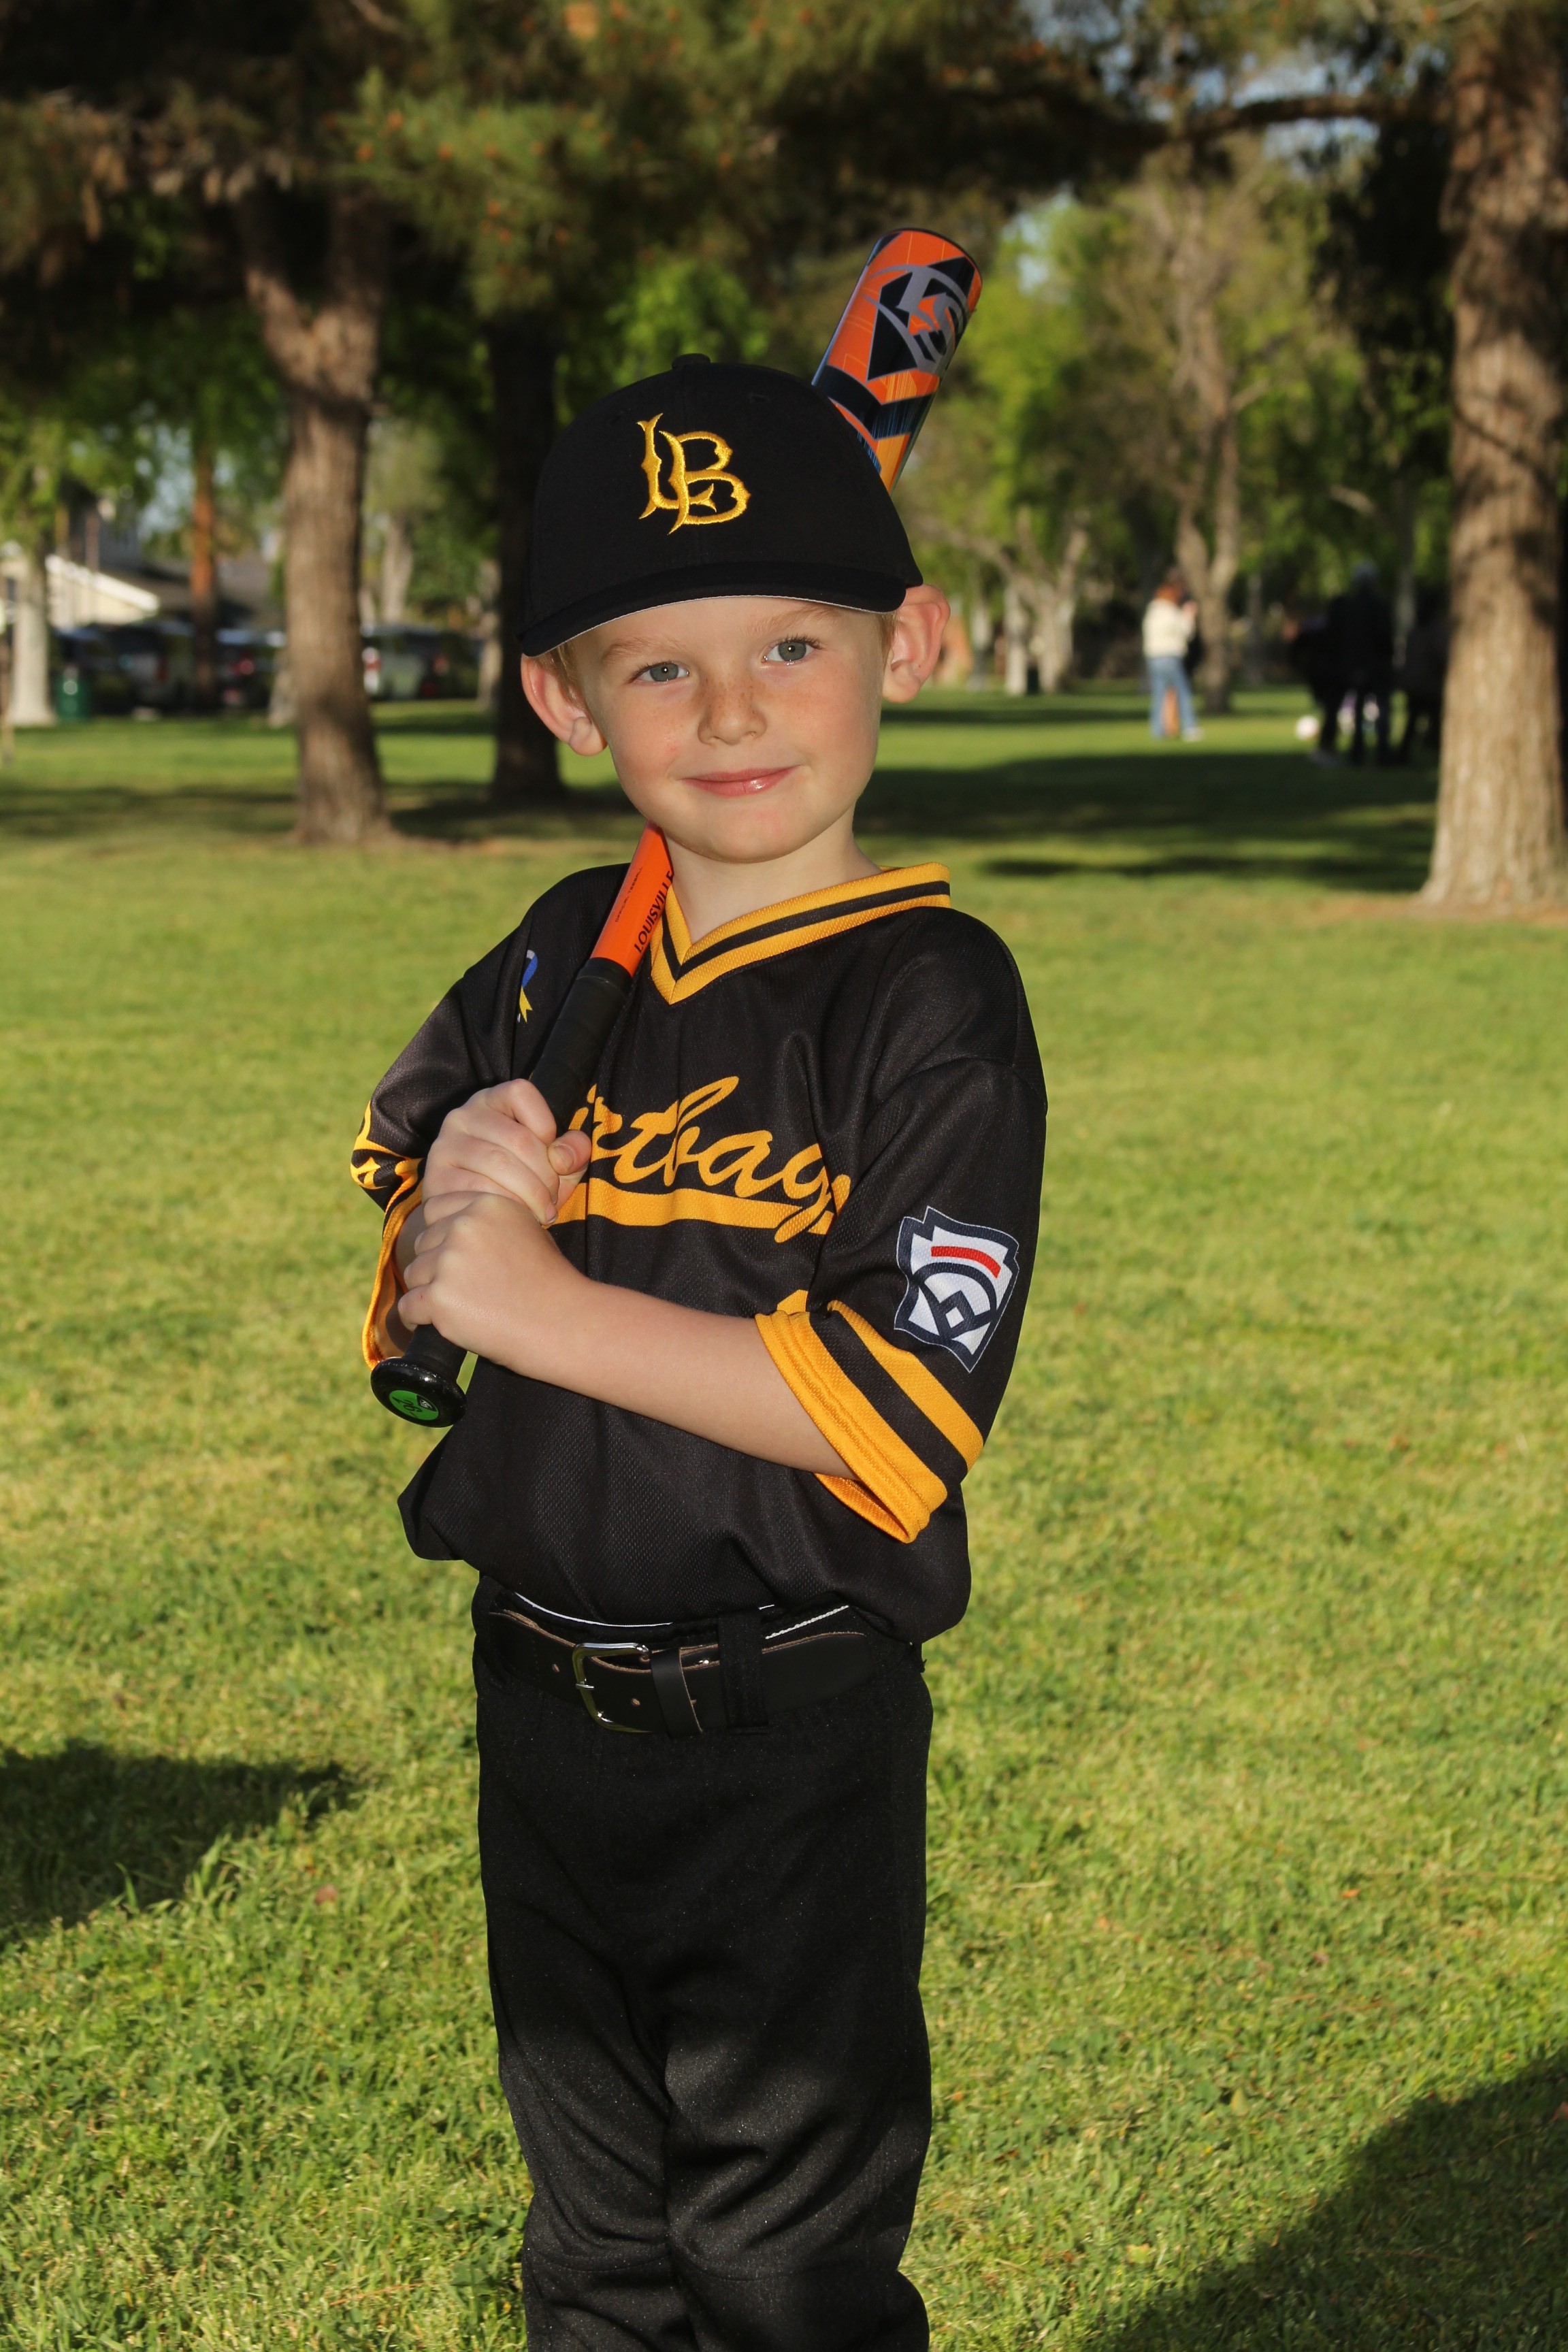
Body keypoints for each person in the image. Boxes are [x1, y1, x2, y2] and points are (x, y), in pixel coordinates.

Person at [352, 355, 1047, 2351]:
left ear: (911, 642)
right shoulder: (559, 953)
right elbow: (420, 1261)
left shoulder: (930, 997)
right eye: (659, 666)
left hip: (786, 1730)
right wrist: (452, 1206)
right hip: (539, 1705)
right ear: (564, 700)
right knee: (597, 2257)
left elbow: (895, 1408)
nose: (732, 711)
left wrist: (544, 1306)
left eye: (791, 644)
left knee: (777, 2270)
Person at [1322, 563, 1394, 764]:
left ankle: (1358, 750)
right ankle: (1381, 751)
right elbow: (1385, 637)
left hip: (1358, 665)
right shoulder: (1380, 606)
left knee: (1360, 708)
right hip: (1377, 665)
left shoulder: (1350, 607)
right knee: (1381, 709)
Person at [1141, 568, 1202, 741]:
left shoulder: (1151, 613)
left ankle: (1157, 730)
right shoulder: (1171, 612)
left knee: (1159, 695)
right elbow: (1186, 632)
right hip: (1170, 656)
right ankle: (1190, 726)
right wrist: (1189, 616)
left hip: (1153, 658)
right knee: (1182, 691)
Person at [1396, 590, 1448, 762]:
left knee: (1412, 721)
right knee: (1435, 722)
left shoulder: (1415, 630)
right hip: (1430, 685)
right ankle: (1437, 754)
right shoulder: (1436, 631)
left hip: (1414, 684)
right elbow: (1441, 654)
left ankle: (1403, 755)